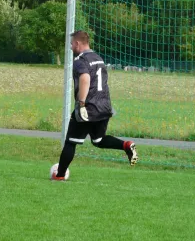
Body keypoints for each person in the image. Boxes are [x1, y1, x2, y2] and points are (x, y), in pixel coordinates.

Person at [51, 30, 137, 181]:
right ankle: (126, 145)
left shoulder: (80, 61)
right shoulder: (98, 58)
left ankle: (59, 175)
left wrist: (82, 104)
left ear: (77, 43)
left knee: (71, 141)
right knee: (99, 140)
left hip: (89, 107)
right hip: (104, 107)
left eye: (71, 44)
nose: (71, 47)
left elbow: (85, 78)